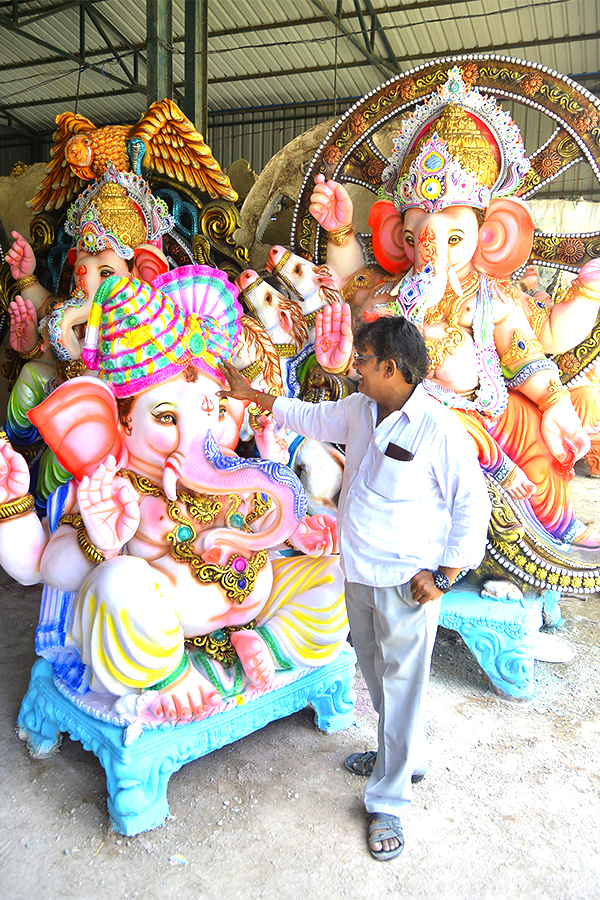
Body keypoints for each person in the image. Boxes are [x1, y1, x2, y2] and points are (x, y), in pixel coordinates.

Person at [219, 313, 491, 862]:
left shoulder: (439, 431)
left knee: (403, 684)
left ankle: (389, 799)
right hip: (358, 573)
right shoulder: (360, 409)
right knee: (377, 676)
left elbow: (472, 509)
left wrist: (443, 576)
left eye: (363, 362)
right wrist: (255, 396)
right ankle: (404, 757)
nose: (355, 371)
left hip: (407, 585)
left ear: (391, 367)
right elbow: (308, 415)